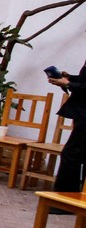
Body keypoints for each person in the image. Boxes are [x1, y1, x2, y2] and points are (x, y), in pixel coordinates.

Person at [48, 60, 86, 193]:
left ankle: (66, 199)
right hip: (81, 112)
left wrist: (68, 84)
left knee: (71, 153)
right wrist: (69, 77)